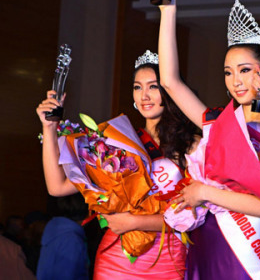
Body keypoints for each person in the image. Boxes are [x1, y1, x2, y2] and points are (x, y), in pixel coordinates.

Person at [153, 0, 260, 279]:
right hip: (207, 240)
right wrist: (167, 10)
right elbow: (170, 82)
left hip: (245, 249)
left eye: (244, 70)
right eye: (228, 72)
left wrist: (205, 192)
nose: (236, 81)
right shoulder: (217, 122)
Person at [35, 51, 199, 279]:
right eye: (137, 87)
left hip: (167, 259)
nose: (144, 95)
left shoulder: (192, 145)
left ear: (170, 89)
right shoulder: (117, 141)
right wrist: (49, 128)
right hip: (117, 258)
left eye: (153, 87)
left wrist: (134, 221)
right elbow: (57, 187)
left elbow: (197, 215)